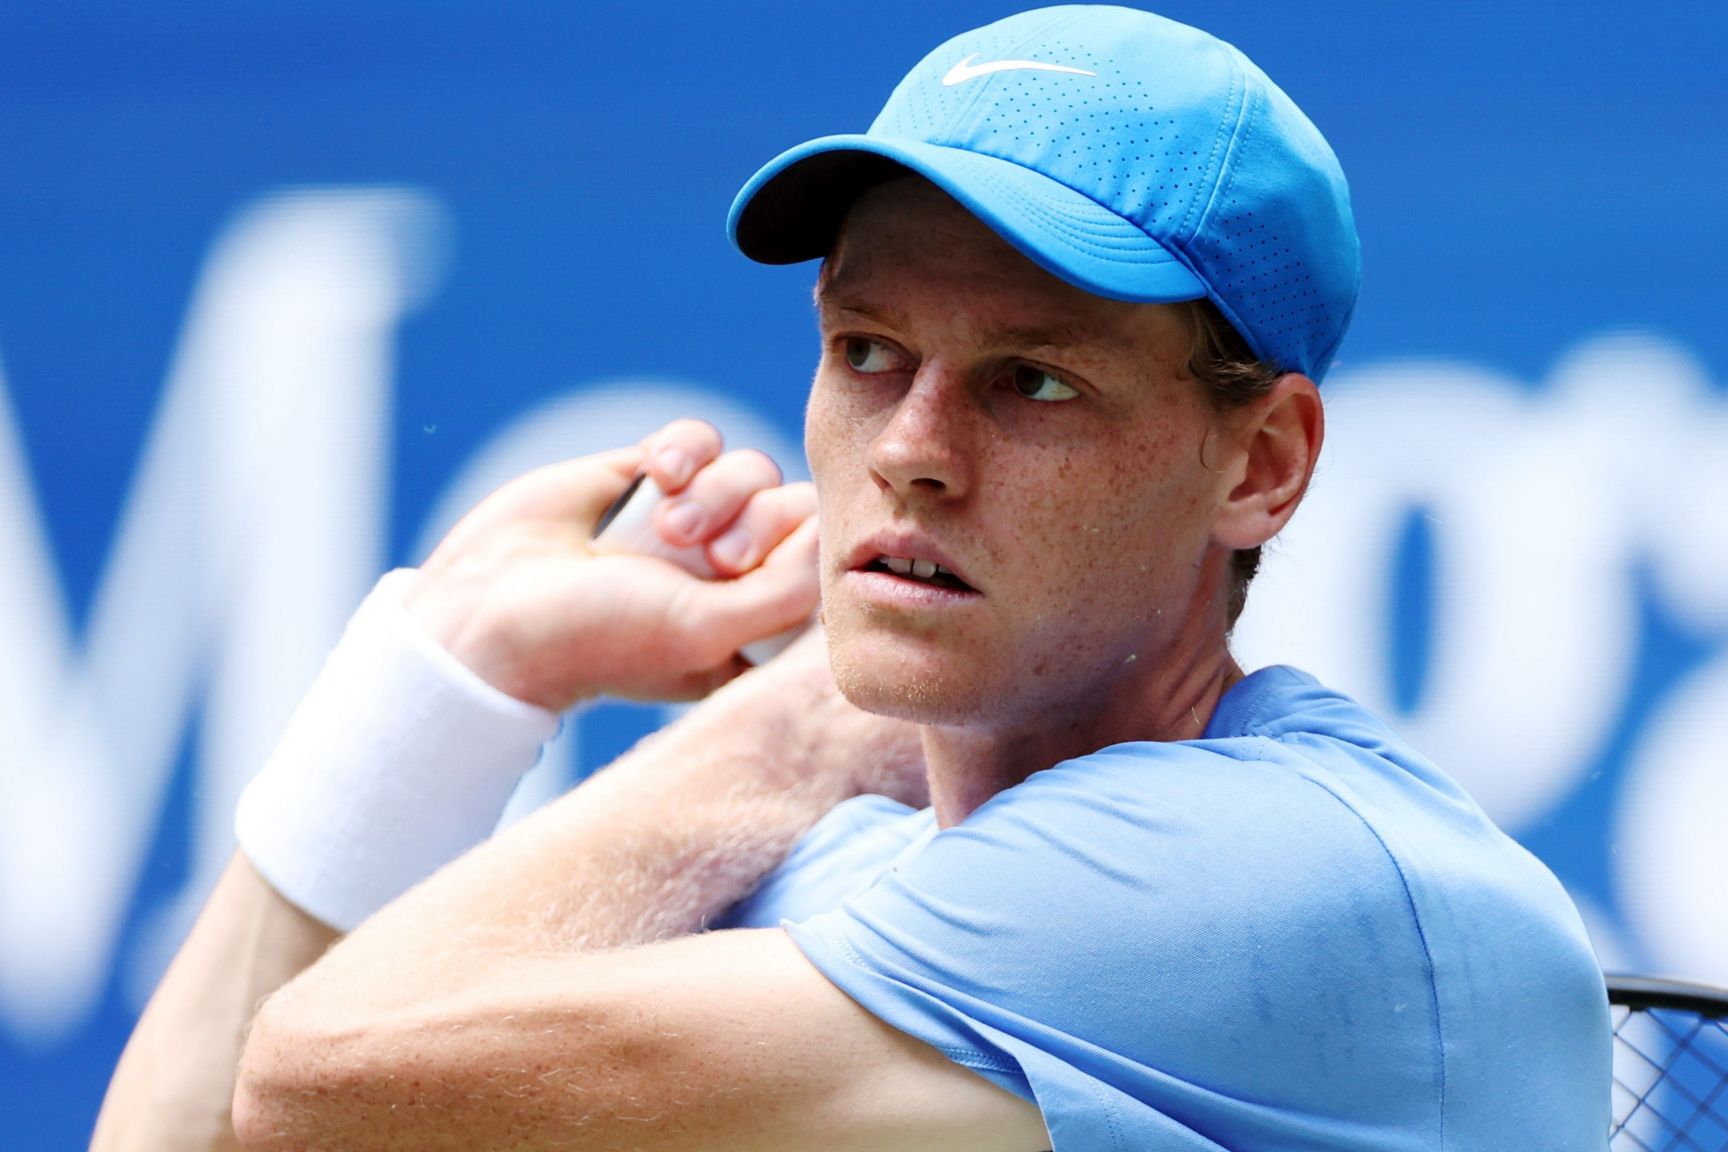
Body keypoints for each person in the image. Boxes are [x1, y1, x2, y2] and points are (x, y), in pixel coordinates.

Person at [94, 7, 1613, 1150]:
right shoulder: (838, 893)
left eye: (1036, 381)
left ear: (1263, 463)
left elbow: (313, 1083)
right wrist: (458, 676)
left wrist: (794, 723)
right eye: (866, 352)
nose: (913, 449)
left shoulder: (1295, 882)